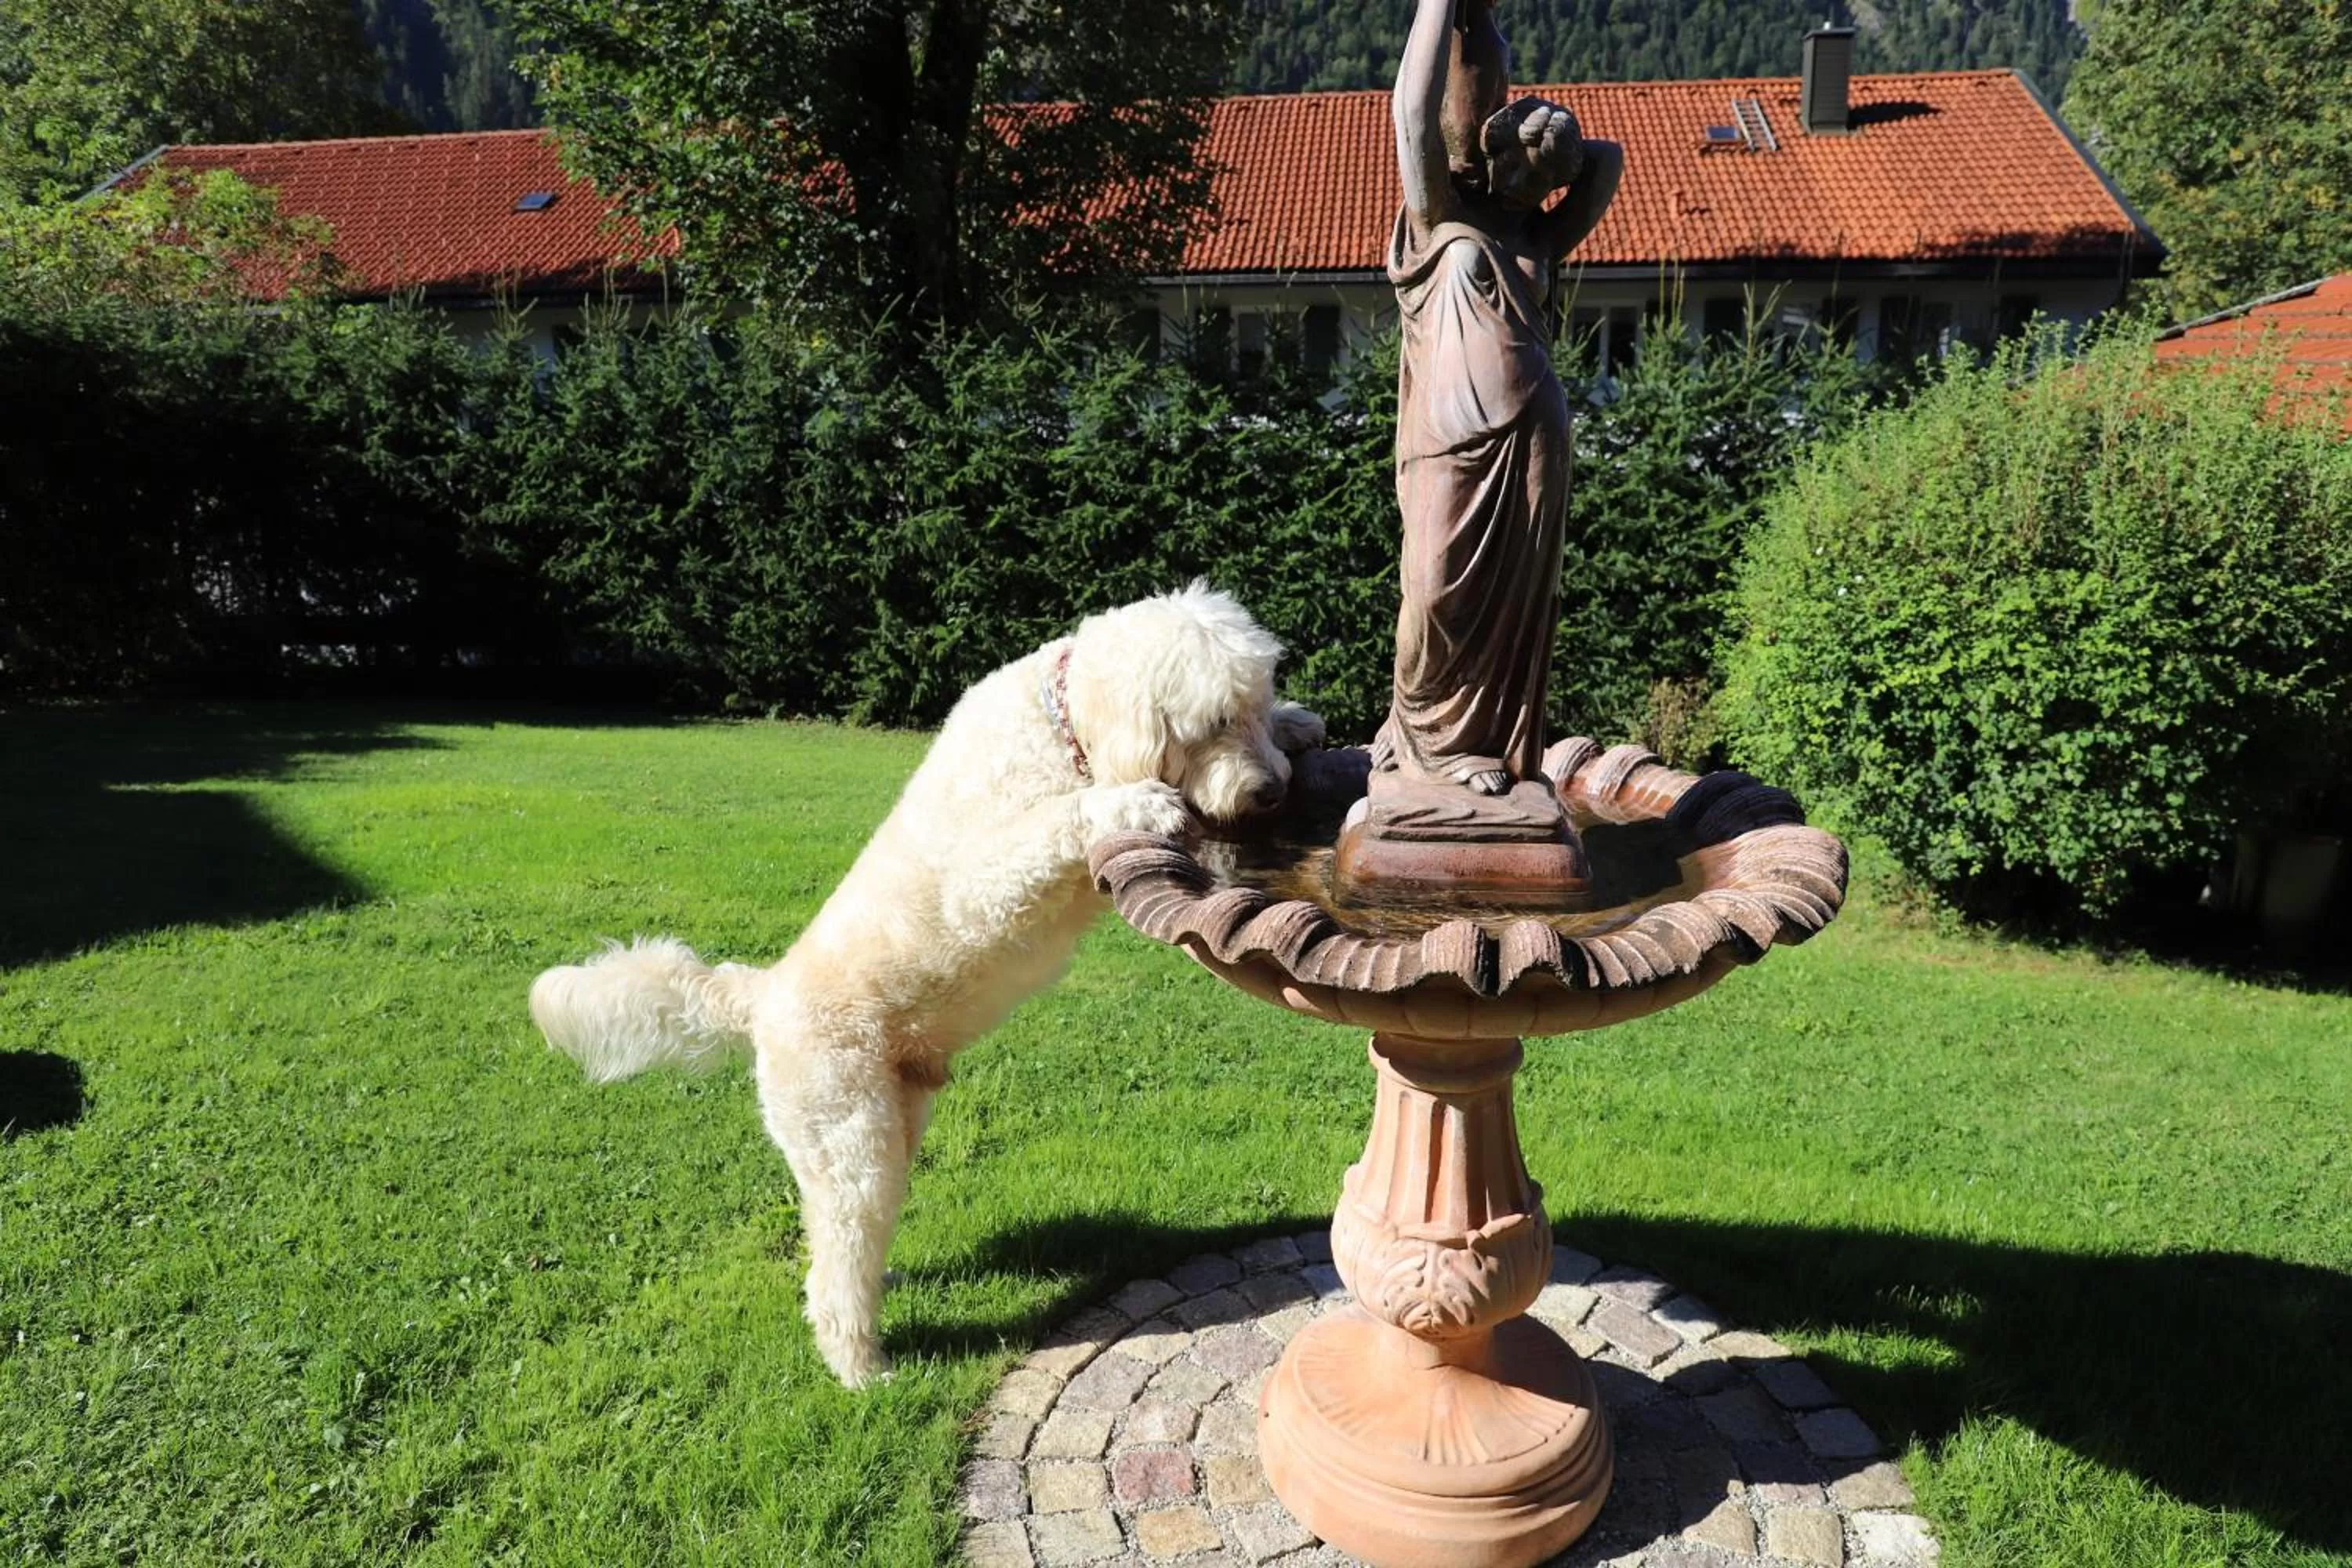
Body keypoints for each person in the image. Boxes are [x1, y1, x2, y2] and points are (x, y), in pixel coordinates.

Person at [1373, 0, 1623, 799]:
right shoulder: (1436, 215)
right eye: (1517, 164)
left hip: (1536, 438)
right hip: (1451, 439)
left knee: (1521, 605)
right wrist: (1445, 11)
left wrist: (1550, 135)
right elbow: (1410, 112)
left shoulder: (1534, 238)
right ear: (1485, 146)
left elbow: (1607, 163)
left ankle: (1484, 744)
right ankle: (1423, 736)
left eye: (1540, 178)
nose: (1527, 183)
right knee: (1437, 584)